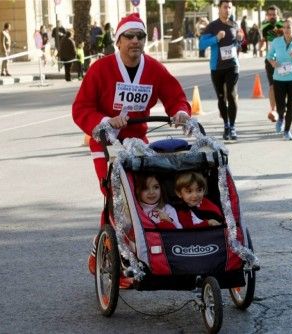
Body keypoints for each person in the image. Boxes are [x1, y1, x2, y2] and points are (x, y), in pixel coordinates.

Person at [72, 13, 191, 275]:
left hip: (138, 142)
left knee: (145, 195)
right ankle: (103, 248)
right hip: (106, 143)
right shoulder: (100, 69)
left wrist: (181, 111)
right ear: (118, 41)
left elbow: (175, 96)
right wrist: (105, 121)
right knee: (116, 197)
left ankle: (143, 248)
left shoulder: (154, 68)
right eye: (129, 36)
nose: (135, 41)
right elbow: (81, 108)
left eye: (140, 36)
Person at [199, 0, 244, 141]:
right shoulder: (212, 26)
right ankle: (226, 125)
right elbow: (202, 44)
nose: (227, 10)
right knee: (221, 98)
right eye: (225, 7)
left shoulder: (235, 24)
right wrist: (216, 38)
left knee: (231, 94)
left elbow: (240, 42)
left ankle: (233, 126)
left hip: (232, 66)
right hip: (217, 67)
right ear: (219, 9)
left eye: (229, 7)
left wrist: (240, 40)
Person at [266, 18, 292, 141]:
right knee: (280, 105)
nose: (286, 30)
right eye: (285, 27)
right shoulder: (276, 42)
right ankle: (281, 118)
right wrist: (273, 62)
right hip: (279, 77)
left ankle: (287, 131)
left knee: (291, 105)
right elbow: (269, 55)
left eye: (289, 27)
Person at [259, 5, 284, 121]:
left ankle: (285, 108)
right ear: (267, 16)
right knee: (272, 85)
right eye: (270, 15)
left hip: (284, 60)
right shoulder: (264, 27)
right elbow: (264, 41)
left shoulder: (284, 25)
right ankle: (273, 110)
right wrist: (262, 47)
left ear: (278, 15)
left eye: (274, 14)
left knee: (285, 85)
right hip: (270, 60)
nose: (272, 17)